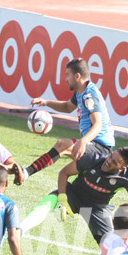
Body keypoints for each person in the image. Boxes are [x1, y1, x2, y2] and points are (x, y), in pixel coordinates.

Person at [13, 57, 114, 185]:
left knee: (63, 145)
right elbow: (67, 107)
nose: (66, 79)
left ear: (77, 76)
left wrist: (83, 141)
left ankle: (26, 173)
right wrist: (46, 102)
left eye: (67, 75)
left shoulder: (89, 95)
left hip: (101, 149)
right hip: (92, 145)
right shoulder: (81, 92)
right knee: (74, 179)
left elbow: (98, 125)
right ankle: (26, 173)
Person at [20, 147, 128, 246]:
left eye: (114, 162)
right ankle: (20, 229)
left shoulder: (127, 178)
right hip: (74, 194)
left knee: (110, 244)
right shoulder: (93, 159)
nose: (108, 161)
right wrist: (62, 198)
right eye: (111, 156)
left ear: (122, 168)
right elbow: (64, 173)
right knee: (50, 200)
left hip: (97, 208)